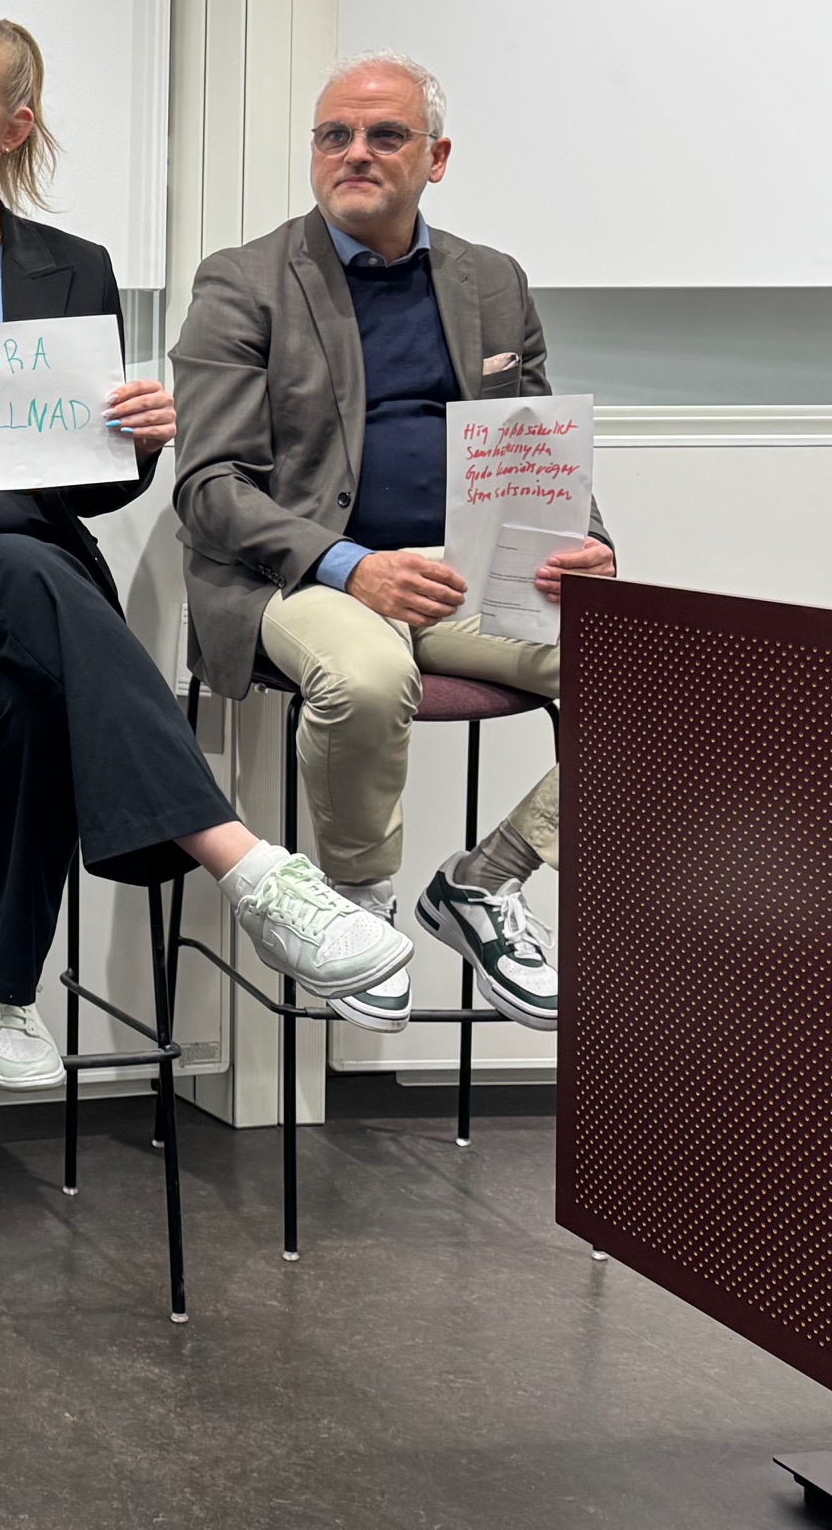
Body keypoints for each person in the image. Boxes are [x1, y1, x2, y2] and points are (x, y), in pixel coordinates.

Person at [0, 13, 415, 1090]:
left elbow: (89, 481)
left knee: (30, 675)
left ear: (14, 127)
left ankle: (5, 988)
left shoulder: (74, 268)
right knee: (38, 581)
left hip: (23, 578)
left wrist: (136, 441)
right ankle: (248, 867)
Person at [171, 52, 607, 1033]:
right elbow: (207, 490)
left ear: (437, 157)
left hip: (462, 578)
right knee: (369, 677)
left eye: (385, 136)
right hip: (302, 578)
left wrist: (586, 543)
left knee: (652, 667)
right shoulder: (242, 283)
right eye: (335, 135)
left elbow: (541, 443)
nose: (355, 153)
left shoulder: (491, 282)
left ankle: (484, 885)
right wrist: (353, 565)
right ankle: (356, 907)